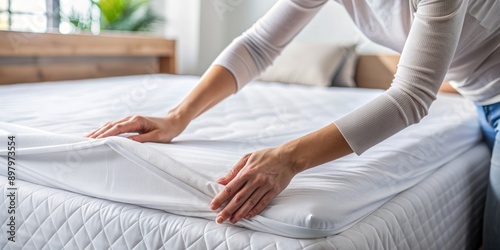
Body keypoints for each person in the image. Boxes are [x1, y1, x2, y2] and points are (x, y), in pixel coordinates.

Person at [86, 0, 500, 248]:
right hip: (476, 94)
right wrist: (178, 116)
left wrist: (290, 157)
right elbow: (257, 45)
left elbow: (410, 96)